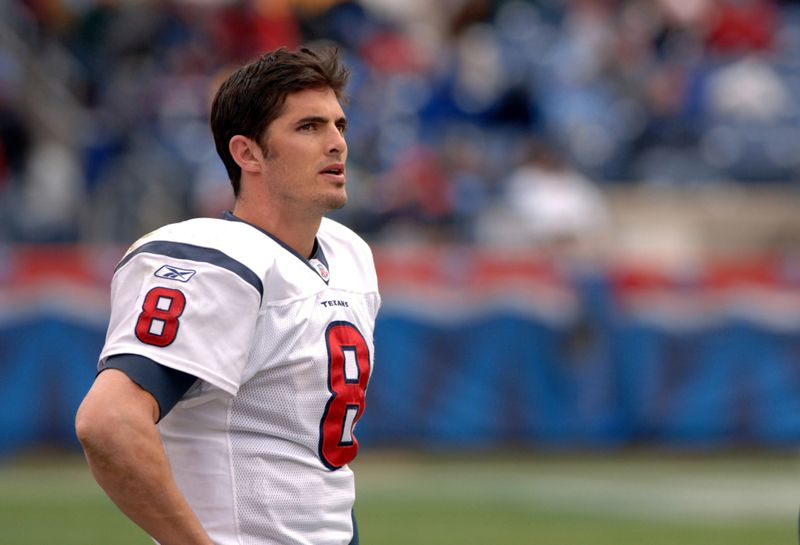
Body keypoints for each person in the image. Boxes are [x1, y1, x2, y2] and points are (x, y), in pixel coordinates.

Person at [75, 46, 381, 545]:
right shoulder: (216, 259)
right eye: (309, 127)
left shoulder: (349, 254)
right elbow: (108, 422)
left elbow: (310, 466)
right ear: (247, 153)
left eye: (339, 126)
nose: (336, 144)